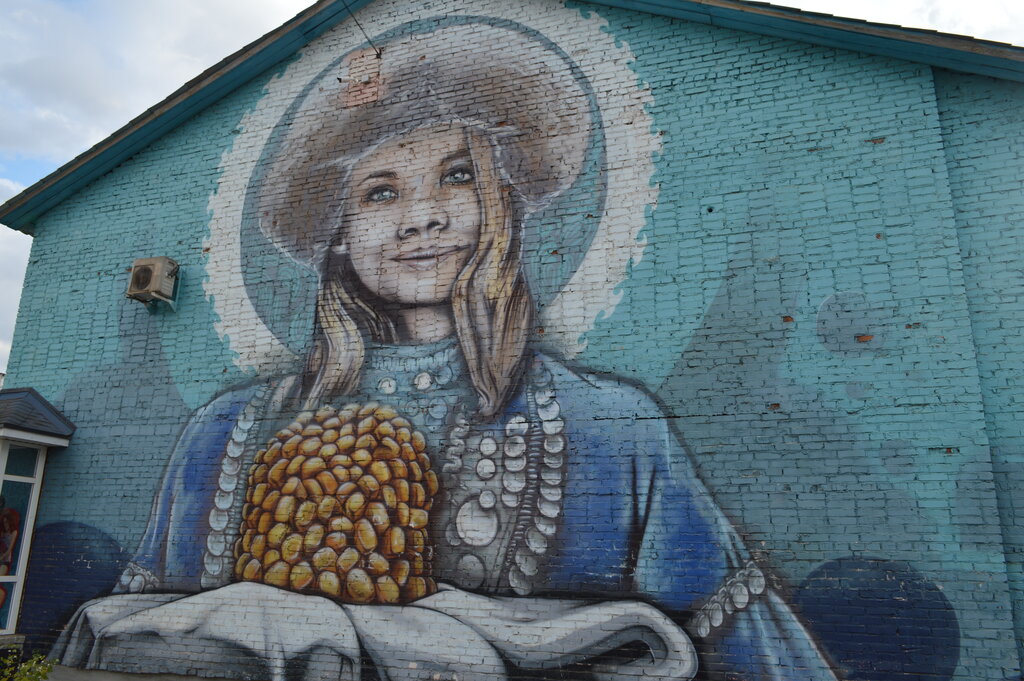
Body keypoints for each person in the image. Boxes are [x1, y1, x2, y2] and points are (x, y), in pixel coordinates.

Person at [60, 22, 839, 681]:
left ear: (503, 207)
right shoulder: (227, 432)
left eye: (457, 178)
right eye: (381, 192)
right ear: (339, 234)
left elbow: (753, 644)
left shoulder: (613, 428)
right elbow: (139, 634)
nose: (421, 218)